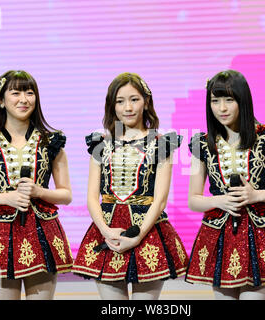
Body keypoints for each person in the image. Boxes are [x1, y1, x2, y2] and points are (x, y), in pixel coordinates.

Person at [185, 70, 265, 300]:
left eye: (229, 100)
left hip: (262, 233)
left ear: (243, 101)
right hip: (220, 234)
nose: (221, 108)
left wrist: (256, 195)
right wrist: (220, 200)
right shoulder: (201, 145)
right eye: (215, 101)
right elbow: (193, 200)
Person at [0, 70, 73, 300]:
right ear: (1, 100)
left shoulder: (51, 142)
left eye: (29, 93)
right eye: (15, 93)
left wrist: (40, 191)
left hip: (43, 234)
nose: (24, 99)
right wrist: (5, 198)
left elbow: (66, 194)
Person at [71, 72, 188, 300]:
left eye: (134, 99)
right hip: (107, 231)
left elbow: (160, 199)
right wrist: (105, 231)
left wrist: (137, 235)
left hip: (147, 232)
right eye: (120, 101)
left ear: (146, 102)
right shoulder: (100, 143)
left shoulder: (161, 143)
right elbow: (92, 197)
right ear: (112, 106)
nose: (128, 107)